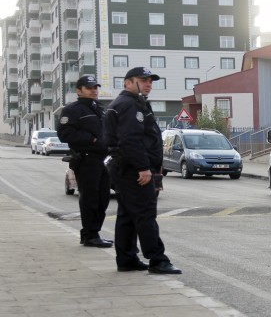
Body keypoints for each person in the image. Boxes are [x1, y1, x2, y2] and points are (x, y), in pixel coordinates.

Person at [104, 67, 181, 274]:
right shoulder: (129, 105)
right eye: (143, 80)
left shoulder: (132, 103)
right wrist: (143, 167)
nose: (148, 84)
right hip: (133, 169)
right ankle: (157, 259)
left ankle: (127, 258)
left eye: (150, 81)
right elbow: (130, 140)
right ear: (128, 82)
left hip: (126, 168)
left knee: (128, 215)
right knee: (145, 214)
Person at [57, 76, 113, 248]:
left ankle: (93, 232)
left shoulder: (99, 108)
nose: (94, 90)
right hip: (86, 158)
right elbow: (64, 134)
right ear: (79, 90)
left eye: (95, 87)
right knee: (90, 198)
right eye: (89, 88)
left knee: (103, 197)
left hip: (101, 160)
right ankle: (90, 235)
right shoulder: (72, 110)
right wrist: (92, 140)